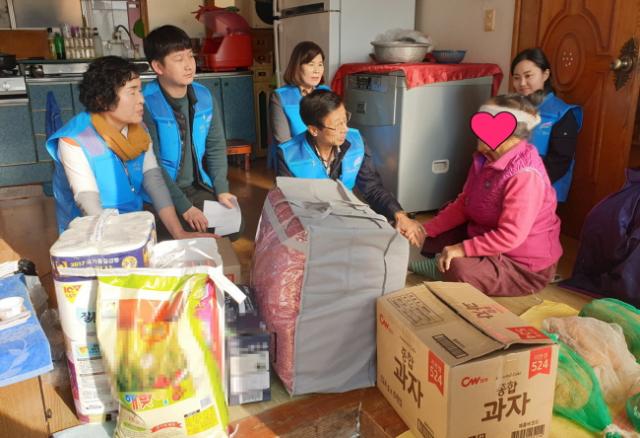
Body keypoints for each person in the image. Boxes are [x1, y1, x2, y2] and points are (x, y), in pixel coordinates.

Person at [410, 93, 563, 296]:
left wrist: (462, 249)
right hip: (485, 235)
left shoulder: (525, 175)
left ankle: (443, 268)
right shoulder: (484, 158)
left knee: (458, 267)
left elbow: (510, 235)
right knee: (437, 230)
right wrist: (424, 229)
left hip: (521, 264)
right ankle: (443, 262)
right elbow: (464, 204)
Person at [46, 56, 212, 239]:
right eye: (132, 92)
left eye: (139, 91)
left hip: (133, 221)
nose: (141, 99)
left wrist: (179, 232)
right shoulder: (77, 139)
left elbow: (154, 181)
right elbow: (87, 200)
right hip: (90, 231)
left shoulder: (139, 130)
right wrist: (120, 244)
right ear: (102, 100)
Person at [276, 89, 425, 247]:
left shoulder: (356, 141)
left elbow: (372, 188)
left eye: (345, 119)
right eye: (337, 125)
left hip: (345, 215)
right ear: (314, 130)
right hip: (311, 225)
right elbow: (289, 208)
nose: (345, 129)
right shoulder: (289, 155)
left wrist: (400, 216)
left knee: (389, 232)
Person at [142, 25, 237, 236]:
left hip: (196, 187)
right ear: (158, 66)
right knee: (180, 232)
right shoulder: (145, 103)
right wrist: (185, 208)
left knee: (231, 228)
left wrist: (221, 189)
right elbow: (153, 165)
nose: (189, 65)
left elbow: (215, 146)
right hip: (161, 193)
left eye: (190, 56)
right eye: (179, 59)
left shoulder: (204, 96)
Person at [511, 47, 583, 202]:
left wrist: (526, 185)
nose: (522, 83)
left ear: (545, 75)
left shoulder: (562, 113)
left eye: (528, 76)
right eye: (516, 77)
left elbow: (560, 161)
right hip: (511, 186)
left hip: (543, 192)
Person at [270, 41, 329, 168]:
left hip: (327, 161)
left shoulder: (326, 92)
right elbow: (283, 141)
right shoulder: (281, 96)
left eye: (320, 64)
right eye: (311, 64)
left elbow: (337, 130)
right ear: (297, 67)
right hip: (295, 162)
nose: (317, 70)